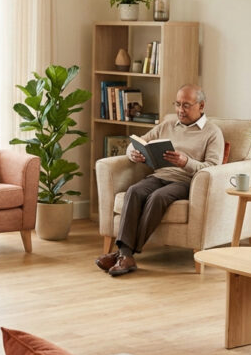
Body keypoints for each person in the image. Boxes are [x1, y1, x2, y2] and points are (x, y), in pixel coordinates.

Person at [95, 84, 225, 277]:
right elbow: (138, 142)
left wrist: (186, 162)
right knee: (134, 191)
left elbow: (214, 169)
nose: (180, 110)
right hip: (160, 175)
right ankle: (125, 255)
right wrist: (134, 153)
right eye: (178, 104)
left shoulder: (212, 133)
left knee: (158, 198)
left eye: (186, 105)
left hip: (186, 182)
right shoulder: (167, 125)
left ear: (201, 105)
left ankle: (123, 254)